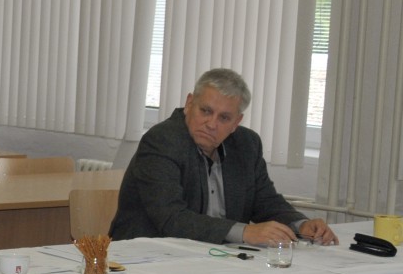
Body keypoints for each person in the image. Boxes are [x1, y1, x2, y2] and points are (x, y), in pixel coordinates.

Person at [110, 68, 339, 245]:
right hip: (149, 254)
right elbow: (172, 218)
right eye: (206, 111)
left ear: (236, 122)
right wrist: (245, 232)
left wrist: (301, 224)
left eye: (224, 118)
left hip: (215, 255)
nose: (211, 124)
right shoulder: (162, 141)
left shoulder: (246, 145)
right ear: (189, 104)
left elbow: (265, 202)